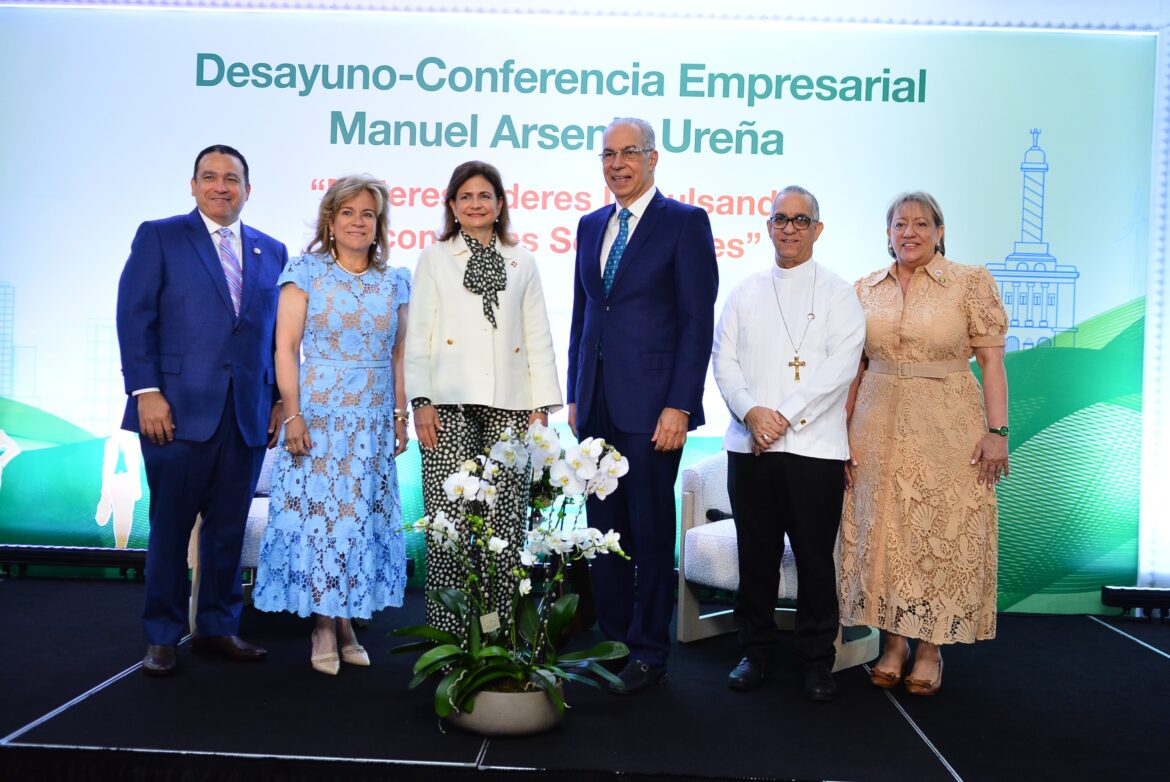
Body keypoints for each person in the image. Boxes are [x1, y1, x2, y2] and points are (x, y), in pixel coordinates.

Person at [116, 144, 288, 676]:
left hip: (247, 415)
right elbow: (134, 317)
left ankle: (217, 628)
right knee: (170, 530)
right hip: (173, 413)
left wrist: (280, 399)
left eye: (231, 179)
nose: (220, 186)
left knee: (228, 530)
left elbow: (279, 336)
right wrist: (145, 391)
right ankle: (163, 635)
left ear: (247, 190)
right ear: (193, 186)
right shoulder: (160, 237)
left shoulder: (272, 250)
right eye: (209, 177)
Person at [567, 117, 719, 694]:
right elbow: (584, 315)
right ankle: (613, 644)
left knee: (650, 532)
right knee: (602, 532)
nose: (617, 164)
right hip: (596, 408)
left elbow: (696, 322)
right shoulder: (590, 225)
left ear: (653, 158)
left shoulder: (684, 223)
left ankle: (650, 652)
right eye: (608, 154)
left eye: (629, 152)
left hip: (655, 411)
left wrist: (680, 404)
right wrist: (576, 394)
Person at [839, 191, 1009, 697]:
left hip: (948, 428)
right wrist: (840, 434)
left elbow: (992, 363)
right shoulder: (865, 288)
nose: (909, 232)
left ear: (939, 231)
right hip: (874, 426)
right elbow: (854, 369)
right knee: (886, 532)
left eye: (920, 223)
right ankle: (893, 644)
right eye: (899, 224)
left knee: (938, 532)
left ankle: (931, 649)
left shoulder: (969, 282)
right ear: (887, 233)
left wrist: (998, 433)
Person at [712, 186, 865, 702]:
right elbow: (723, 359)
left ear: (817, 229)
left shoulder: (839, 294)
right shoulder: (745, 291)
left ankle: (817, 661)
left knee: (815, 560)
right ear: (768, 226)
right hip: (749, 446)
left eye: (801, 220)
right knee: (756, 556)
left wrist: (782, 417)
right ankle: (754, 652)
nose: (790, 228)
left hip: (814, 450)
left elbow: (841, 367)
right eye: (781, 219)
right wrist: (751, 412)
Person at [253, 175, 411, 675]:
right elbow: (285, 348)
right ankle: (323, 625)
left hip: (372, 421)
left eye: (368, 214)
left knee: (357, 521)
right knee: (322, 522)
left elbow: (399, 354)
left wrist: (400, 415)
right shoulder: (305, 272)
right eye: (348, 212)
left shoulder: (395, 280)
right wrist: (292, 412)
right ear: (330, 219)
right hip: (319, 417)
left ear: (379, 224)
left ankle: (344, 622)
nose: (358, 222)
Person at [405, 161, 562, 635]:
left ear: (500, 204)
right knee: (449, 525)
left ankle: (495, 635)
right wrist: (420, 400)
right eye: (466, 196)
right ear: (452, 206)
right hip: (446, 404)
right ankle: (450, 637)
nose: (476, 204)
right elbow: (419, 335)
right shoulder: (435, 258)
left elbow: (537, 336)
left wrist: (541, 407)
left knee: (504, 526)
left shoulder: (522, 260)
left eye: (485, 196)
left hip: (511, 405)